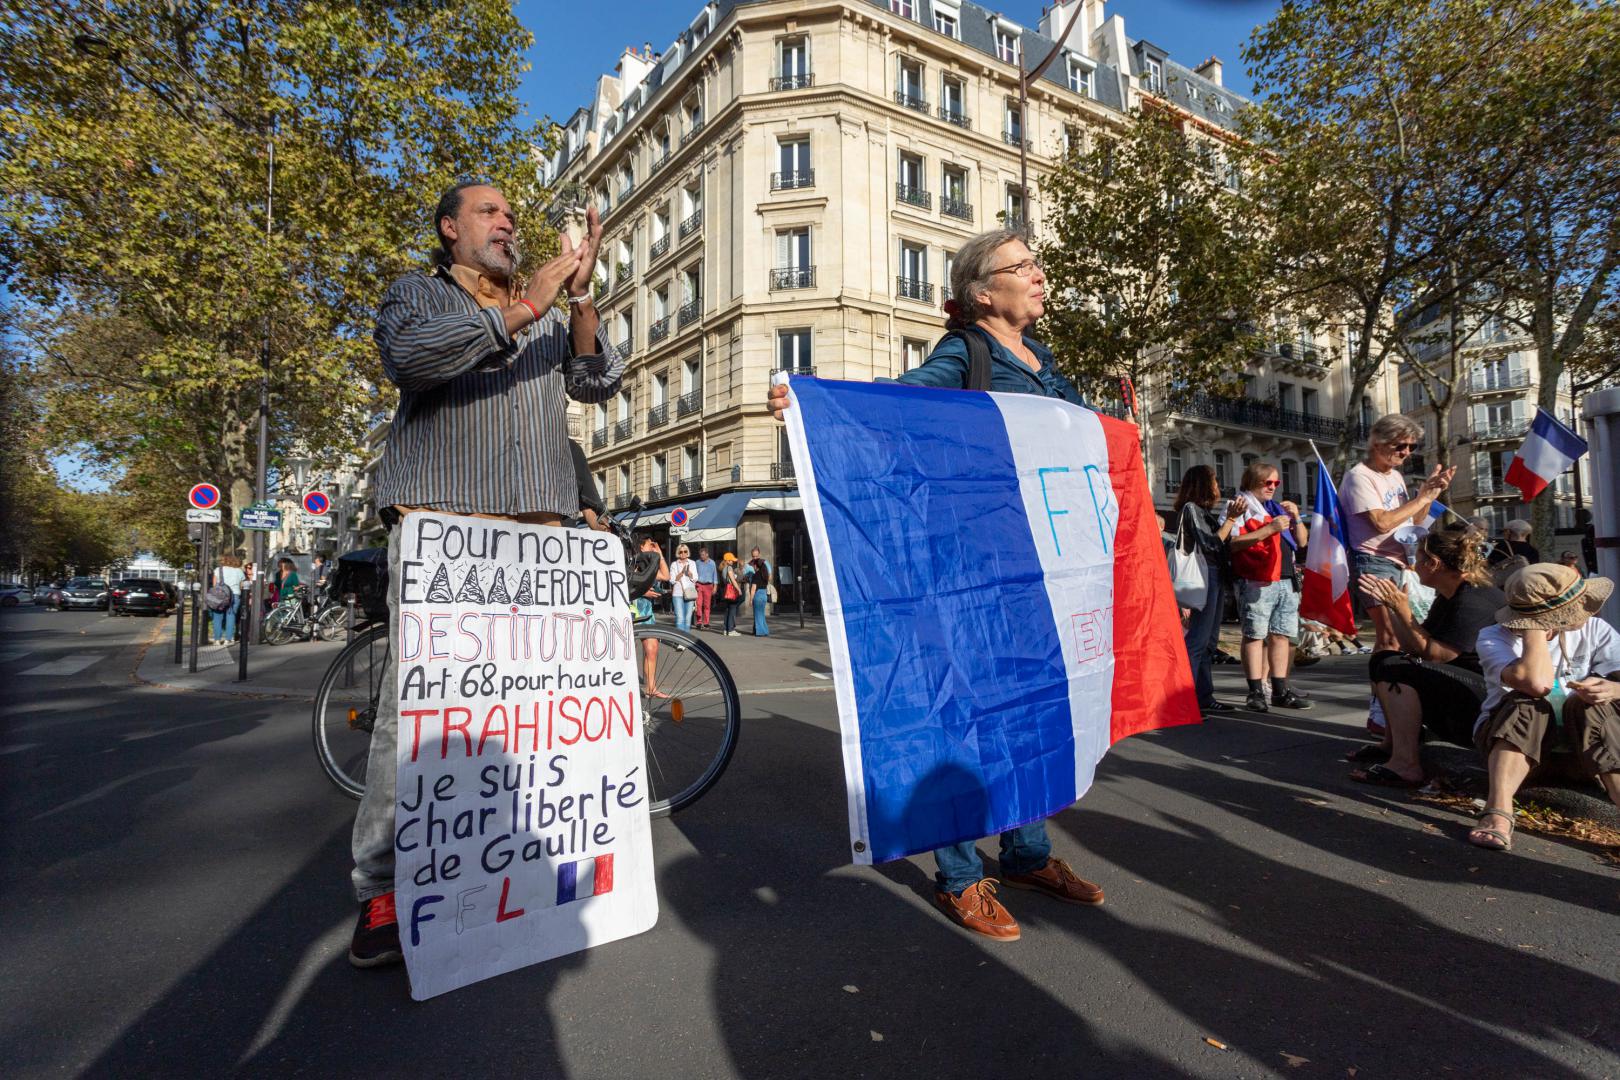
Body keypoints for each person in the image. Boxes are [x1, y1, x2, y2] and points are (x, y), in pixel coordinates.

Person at [768, 227, 1103, 942]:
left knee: (1030, 711)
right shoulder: (966, 353)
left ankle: (1027, 855)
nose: (1039, 273)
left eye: (1037, 262)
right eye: (1022, 265)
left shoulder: (1044, 361)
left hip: (1034, 573)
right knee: (964, 716)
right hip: (969, 575)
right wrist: (810, 404)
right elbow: (897, 406)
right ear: (982, 293)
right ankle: (959, 877)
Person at [347, 181, 621, 969]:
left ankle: (500, 858)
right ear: (449, 228)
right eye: (489, 212)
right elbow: (412, 360)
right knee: (417, 711)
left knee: (532, 709)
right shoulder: (418, 294)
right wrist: (528, 307)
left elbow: (598, 382)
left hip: (538, 537)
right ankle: (381, 886)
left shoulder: (548, 309)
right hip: (445, 531)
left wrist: (579, 297)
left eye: (511, 213)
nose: (507, 222)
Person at [1468, 564, 1620, 851]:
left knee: (1591, 705)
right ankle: (1498, 810)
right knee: (1528, 701)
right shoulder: (1493, 636)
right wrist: (1534, 630)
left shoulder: (1596, 629)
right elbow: (1536, 684)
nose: (1587, 610)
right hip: (1519, 751)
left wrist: (1613, 689)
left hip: (1586, 753)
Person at [1350, 527, 1506, 786]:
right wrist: (1394, 608)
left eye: (1418, 559)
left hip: (1489, 702)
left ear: (1433, 563)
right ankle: (1393, 745)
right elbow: (1413, 646)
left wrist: (1404, 611)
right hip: (1471, 687)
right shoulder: (1452, 593)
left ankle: (1406, 765)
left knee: (1396, 668)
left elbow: (1436, 654)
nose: (1414, 566)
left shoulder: (1473, 599)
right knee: (1383, 658)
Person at [1339, 414, 1455, 654]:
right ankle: (1382, 680)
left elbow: (1414, 521)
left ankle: (1391, 678)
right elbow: (1382, 523)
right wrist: (1421, 499)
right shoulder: (1359, 477)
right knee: (1389, 638)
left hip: (1399, 562)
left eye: (1412, 446)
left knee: (1400, 638)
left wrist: (1429, 495)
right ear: (1377, 443)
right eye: (1400, 445)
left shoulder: (1395, 476)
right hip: (1372, 560)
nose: (1406, 452)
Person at [1227, 461, 1312, 712]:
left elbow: (1302, 542)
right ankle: (1255, 692)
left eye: (1277, 482)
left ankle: (1280, 690)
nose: (1273, 487)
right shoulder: (1239, 505)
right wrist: (1270, 529)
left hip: (1286, 577)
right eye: (1268, 482)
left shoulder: (1276, 508)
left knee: (1282, 635)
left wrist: (1296, 517)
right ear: (1253, 481)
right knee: (1254, 634)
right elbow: (1232, 543)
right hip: (1258, 579)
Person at [1172, 465, 1242, 715]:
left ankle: (1203, 696)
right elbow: (1210, 543)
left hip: (1214, 576)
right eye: (1214, 481)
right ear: (1204, 484)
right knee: (1198, 640)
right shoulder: (1191, 509)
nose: (1218, 487)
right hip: (1204, 576)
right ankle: (1185, 700)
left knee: (1209, 641)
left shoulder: (1202, 512)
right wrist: (1230, 519)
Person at [635, 537, 671, 694]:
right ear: (641, 547)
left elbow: (666, 576)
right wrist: (642, 592)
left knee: (652, 648)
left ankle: (651, 687)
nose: (653, 547)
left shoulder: (650, 567)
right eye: (650, 545)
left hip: (646, 613)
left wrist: (660, 555)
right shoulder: (633, 564)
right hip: (631, 611)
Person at [210, 554, 245, 648]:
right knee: (231, 616)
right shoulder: (239, 571)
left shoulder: (218, 570)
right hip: (234, 595)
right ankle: (228, 639)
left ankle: (217, 640)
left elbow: (214, 585)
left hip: (220, 595)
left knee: (217, 617)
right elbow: (241, 586)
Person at [744, 547, 773, 636]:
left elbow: (754, 587)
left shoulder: (759, 570)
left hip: (757, 592)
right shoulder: (752, 566)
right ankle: (761, 630)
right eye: (753, 556)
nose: (754, 558)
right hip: (762, 592)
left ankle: (760, 631)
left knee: (758, 614)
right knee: (760, 614)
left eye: (756, 556)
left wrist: (750, 599)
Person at [669, 544, 698, 631]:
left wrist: (690, 574)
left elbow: (695, 578)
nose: (683, 553)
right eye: (680, 552)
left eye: (685, 551)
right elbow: (672, 580)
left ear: (687, 552)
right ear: (678, 553)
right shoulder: (674, 564)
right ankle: (680, 638)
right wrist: (682, 573)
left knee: (688, 618)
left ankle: (686, 637)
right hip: (678, 593)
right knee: (680, 617)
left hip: (690, 593)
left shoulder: (692, 563)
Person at [720, 552, 745, 636]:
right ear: (727, 561)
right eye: (731, 560)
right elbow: (733, 580)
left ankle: (726, 629)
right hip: (731, 590)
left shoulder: (723, 568)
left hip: (726, 590)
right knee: (732, 609)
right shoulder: (729, 567)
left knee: (728, 609)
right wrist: (738, 589)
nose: (733, 562)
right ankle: (731, 630)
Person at [694, 546, 718, 629]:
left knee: (707, 605)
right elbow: (694, 573)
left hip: (708, 585)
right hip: (699, 585)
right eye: (701, 555)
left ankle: (706, 622)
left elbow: (715, 575)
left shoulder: (712, 563)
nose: (702, 556)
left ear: (707, 554)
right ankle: (699, 622)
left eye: (703, 555)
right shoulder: (697, 562)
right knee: (699, 604)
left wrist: (715, 586)